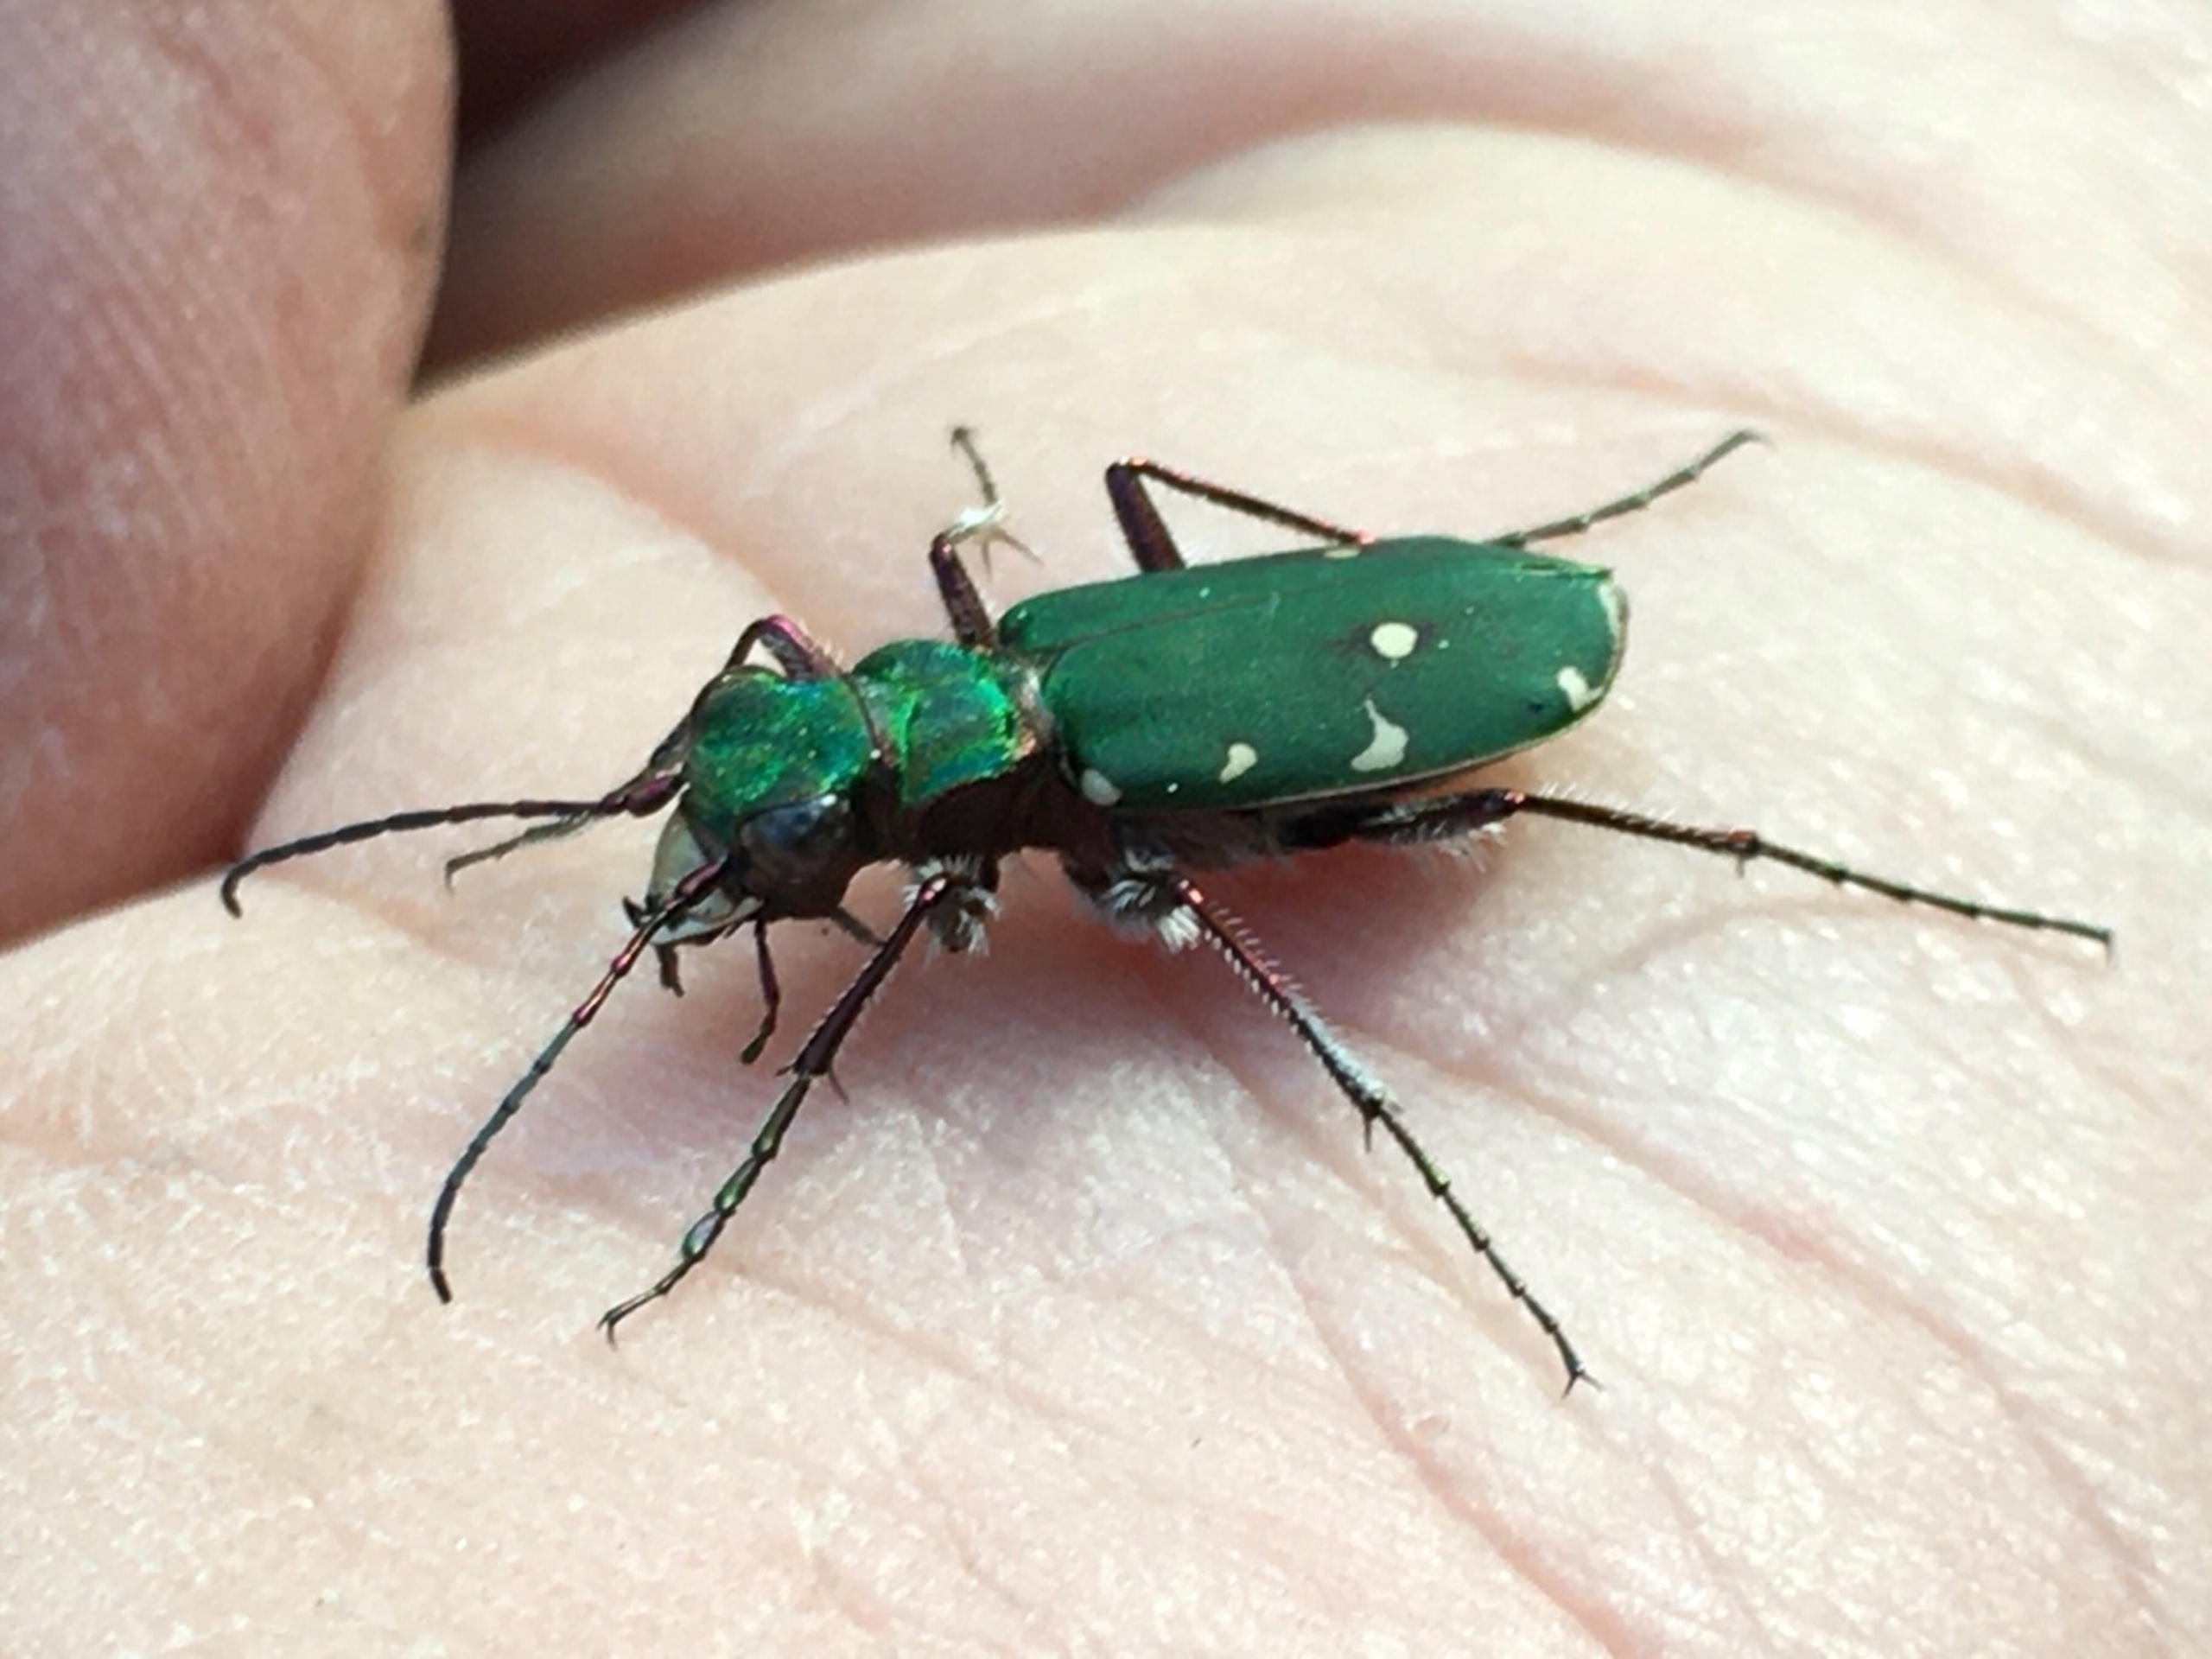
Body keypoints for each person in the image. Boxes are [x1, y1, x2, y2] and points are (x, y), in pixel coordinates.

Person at [1, 5, 2191, 1651]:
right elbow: (782, 715)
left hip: (1415, 685)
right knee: (1129, 563)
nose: (735, 878)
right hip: (1275, 647)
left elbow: (923, 894)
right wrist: (623, 796)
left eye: (774, 844)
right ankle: (1485, 578)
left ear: (909, 800)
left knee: (1230, 878)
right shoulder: (964, 671)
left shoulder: (1009, 818)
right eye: (750, 832)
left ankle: (1760, 865)